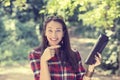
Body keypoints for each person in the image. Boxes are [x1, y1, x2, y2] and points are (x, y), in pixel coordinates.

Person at [29, 15, 101, 80]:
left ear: (63, 33)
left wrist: (91, 68)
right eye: (50, 30)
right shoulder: (35, 54)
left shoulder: (74, 54)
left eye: (58, 30)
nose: (54, 35)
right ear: (45, 32)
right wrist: (43, 60)